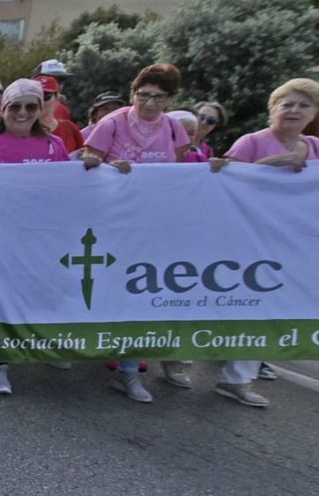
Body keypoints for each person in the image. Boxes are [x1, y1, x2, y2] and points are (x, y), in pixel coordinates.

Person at [79, 62, 192, 403]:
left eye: (157, 97)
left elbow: (184, 171)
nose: (148, 103)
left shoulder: (174, 129)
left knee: (138, 297)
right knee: (98, 290)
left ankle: (128, 371)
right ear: (133, 94)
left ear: (170, 99)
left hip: (153, 226)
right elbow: (86, 158)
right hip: (109, 223)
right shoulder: (111, 123)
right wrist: (108, 166)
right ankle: (74, 346)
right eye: (142, 95)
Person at [202, 77, 319, 407]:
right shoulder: (252, 141)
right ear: (273, 109)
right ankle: (180, 359)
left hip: (289, 244)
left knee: (266, 308)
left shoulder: (315, 147)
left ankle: (238, 379)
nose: (294, 110)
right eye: (287, 104)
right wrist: (271, 165)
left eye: (303, 105)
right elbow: (227, 184)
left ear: (313, 113)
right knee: (217, 301)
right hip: (243, 240)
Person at [0, 79, 71, 394]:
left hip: (39, 240)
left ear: (39, 109)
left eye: (30, 106)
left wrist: (94, 168)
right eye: (15, 106)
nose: (23, 112)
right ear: (3, 110)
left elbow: (70, 190)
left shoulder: (55, 146)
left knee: (32, 297)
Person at [37, 75, 85, 153]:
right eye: (36, 96)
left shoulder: (69, 128)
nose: (40, 101)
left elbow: (83, 153)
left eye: (46, 96)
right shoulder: (20, 131)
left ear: (57, 98)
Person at [36, 59, 74, 123]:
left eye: (61, 80)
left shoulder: (63, 109)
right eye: (50, 79)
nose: (55, 84)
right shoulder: (27, 106)